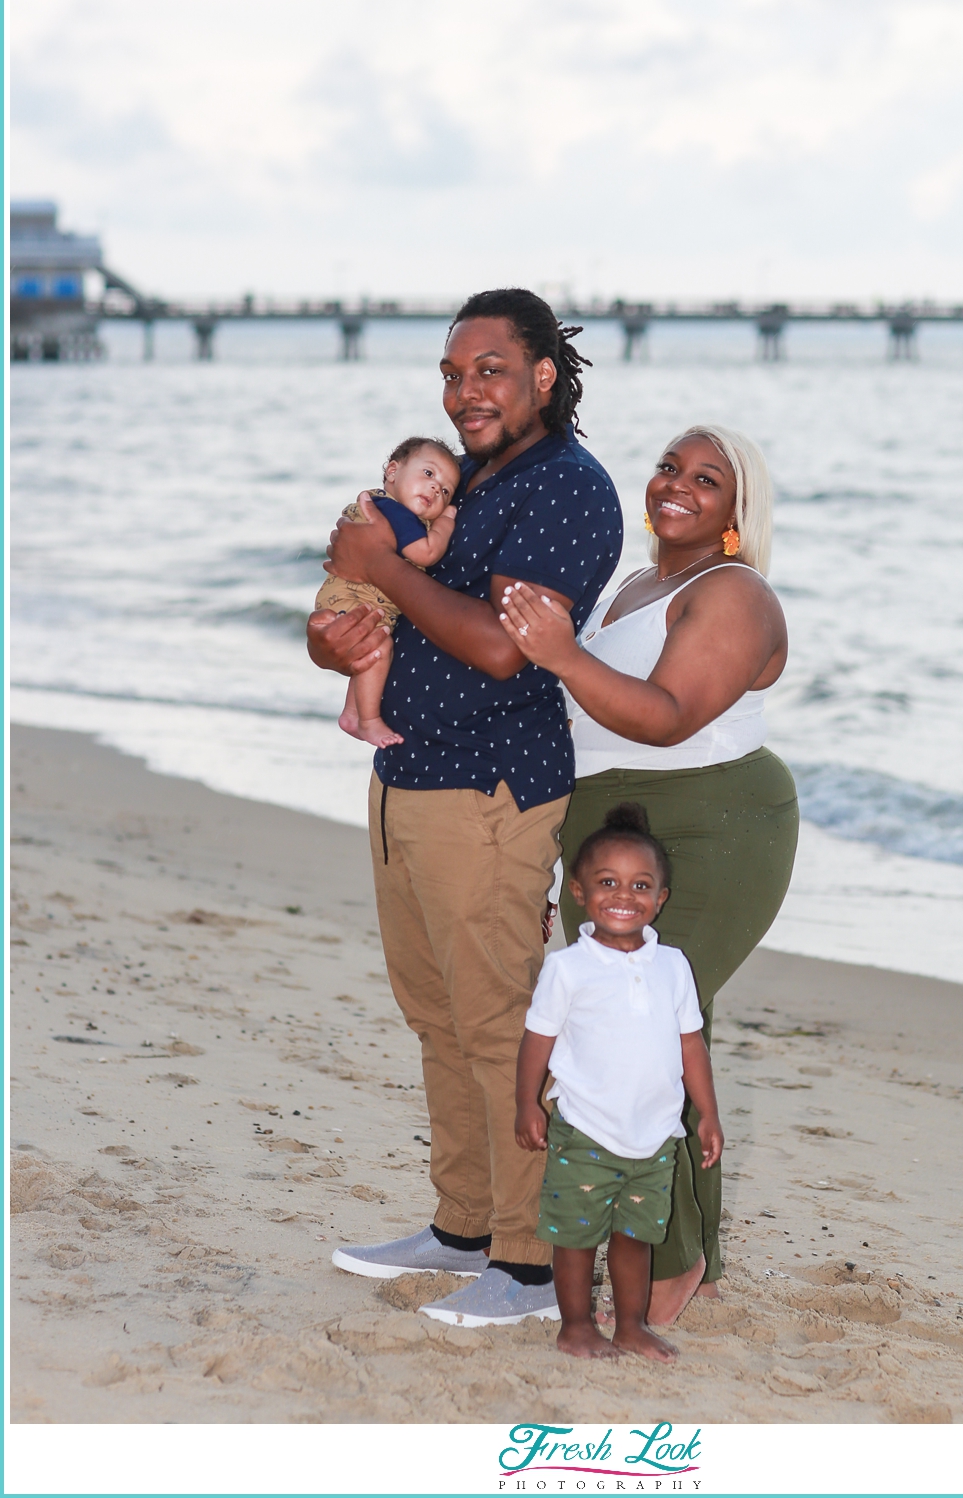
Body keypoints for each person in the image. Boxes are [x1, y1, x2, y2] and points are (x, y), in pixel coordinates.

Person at [306, 289, 622, 1328]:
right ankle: (464, 1226)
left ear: (542, 375)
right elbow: (362, 604)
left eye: (488, 368)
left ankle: (529, 1266)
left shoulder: (571, 489)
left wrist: (381, 565)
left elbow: (503, 646)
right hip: (404, 781)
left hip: (489, 793)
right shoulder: (464, 483)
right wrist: (340, 631)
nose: (464, 390)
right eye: (451, 372)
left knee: (496, 1029)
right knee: (435, 1018)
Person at [498, 422, 799, 1325]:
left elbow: (666, 718)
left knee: (653, 1035)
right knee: (612, 1034)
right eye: (670, 465)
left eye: (708, 478)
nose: (677, 484)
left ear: (738, 513)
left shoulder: (734, 592)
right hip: (608, 829)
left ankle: (675, 1261)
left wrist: (561, 653)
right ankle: (667, 1246)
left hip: (712, 827)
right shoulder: (636, 584)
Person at [515, 802, 722, 1362]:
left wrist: (706, 1113)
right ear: (579, 891)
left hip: (654, 1136)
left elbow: (690, 1046)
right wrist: (528, 1104)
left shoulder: (673, 966)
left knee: (636, 1239)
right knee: (577, 1238)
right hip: (585, 1129)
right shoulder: (569, 969)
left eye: (640, 885)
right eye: (608, 882)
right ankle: (576, 1326)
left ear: (660, 899)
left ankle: (631, 1326)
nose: (623, 896)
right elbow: (538, 1039)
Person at [313, 436, 461, 748]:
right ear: (392, 472)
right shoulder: (396, 514)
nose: (436, 489)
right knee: (378, 649)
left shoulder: (388, 507)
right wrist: (446, 522)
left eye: (446, 491)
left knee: (370, 651)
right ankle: (368, 721)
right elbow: (425, 553)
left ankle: (351, 713)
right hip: (354, 597)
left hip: (348, 595)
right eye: (429, 474)